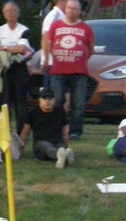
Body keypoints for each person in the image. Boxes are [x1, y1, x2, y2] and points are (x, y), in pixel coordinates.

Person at [42, 0, 93, 140]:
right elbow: (48, 43)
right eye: (69, 8)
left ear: (80, 11)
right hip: (58, 71)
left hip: (79, 71)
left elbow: (91, 49)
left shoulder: (86, 28)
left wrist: (79, 58)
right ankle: (57, 128)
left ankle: (75, 131)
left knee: (78, 104)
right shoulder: (56, 25)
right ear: (66, 9)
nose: (71, 11)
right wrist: (52, 58)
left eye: (75, 9)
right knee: (57, 100)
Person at [0, 1, 33, 135]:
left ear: (18, 14)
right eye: (7, 11)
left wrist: (3, 48)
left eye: (13, 11)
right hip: (4, 69)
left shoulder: (24, 30)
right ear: (4, 14)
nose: (10, 13)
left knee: (20, 102)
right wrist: (11, 49)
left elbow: (22, 49)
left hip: (19, 68)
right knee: (5, 101)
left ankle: (21, 133)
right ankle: (5, 132)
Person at [19, 86, 73, 167]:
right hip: (40, 144)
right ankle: (61, 156)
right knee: (46, 146)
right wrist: (20, 151)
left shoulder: (60, 111)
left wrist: (65, 144)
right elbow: (25, 132)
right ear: (40, 101)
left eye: (50, 99)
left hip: (57, 142)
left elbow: (65, 132)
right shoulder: (32, 112)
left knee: (61, 147)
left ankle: (64, 154)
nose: (47, 101)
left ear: (54, 100)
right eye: (44, 98)